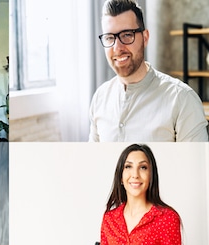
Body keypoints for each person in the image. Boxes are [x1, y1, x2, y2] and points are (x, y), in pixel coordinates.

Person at [89, 0, 207, 142]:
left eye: (127, 35)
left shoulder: (182, 100)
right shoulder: (100, 98)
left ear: (145, 38)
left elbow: (196, 163)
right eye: (109, 37)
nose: (118, 48)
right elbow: (93, 161)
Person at [99, 144, 183, 245]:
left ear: (151, 176)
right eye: (128, 167)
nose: (135, 175)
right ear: (121, 176)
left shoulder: (167, 218)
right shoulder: (109, 219)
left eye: (143, 167)